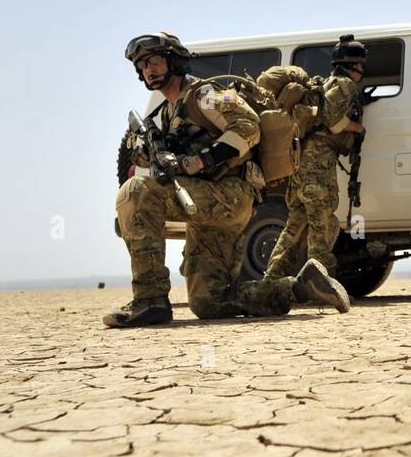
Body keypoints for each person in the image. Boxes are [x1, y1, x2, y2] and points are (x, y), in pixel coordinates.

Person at [106, 32, 348, 328]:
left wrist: (197, 161)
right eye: (142, 65)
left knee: (135, 192)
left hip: (229, 194)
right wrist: (145, 154)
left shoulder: (207, 93)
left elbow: (248, 127)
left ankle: (149, 299)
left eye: (155, 60)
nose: (149, 69)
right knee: (210, 300)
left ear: (174, 61)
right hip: (208, 203)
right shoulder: (168, 112)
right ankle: (299, 287)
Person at [262, 35, 367, 286]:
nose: (362, 70)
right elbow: (332, 121)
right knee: (322, 224)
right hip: (318, 164)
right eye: (361, 65)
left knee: (295, 225)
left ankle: (272, 278)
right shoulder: (344, 85)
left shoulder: (328, 83)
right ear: (353, 64)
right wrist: (356, 127)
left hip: (302, 161)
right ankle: (321, 282)